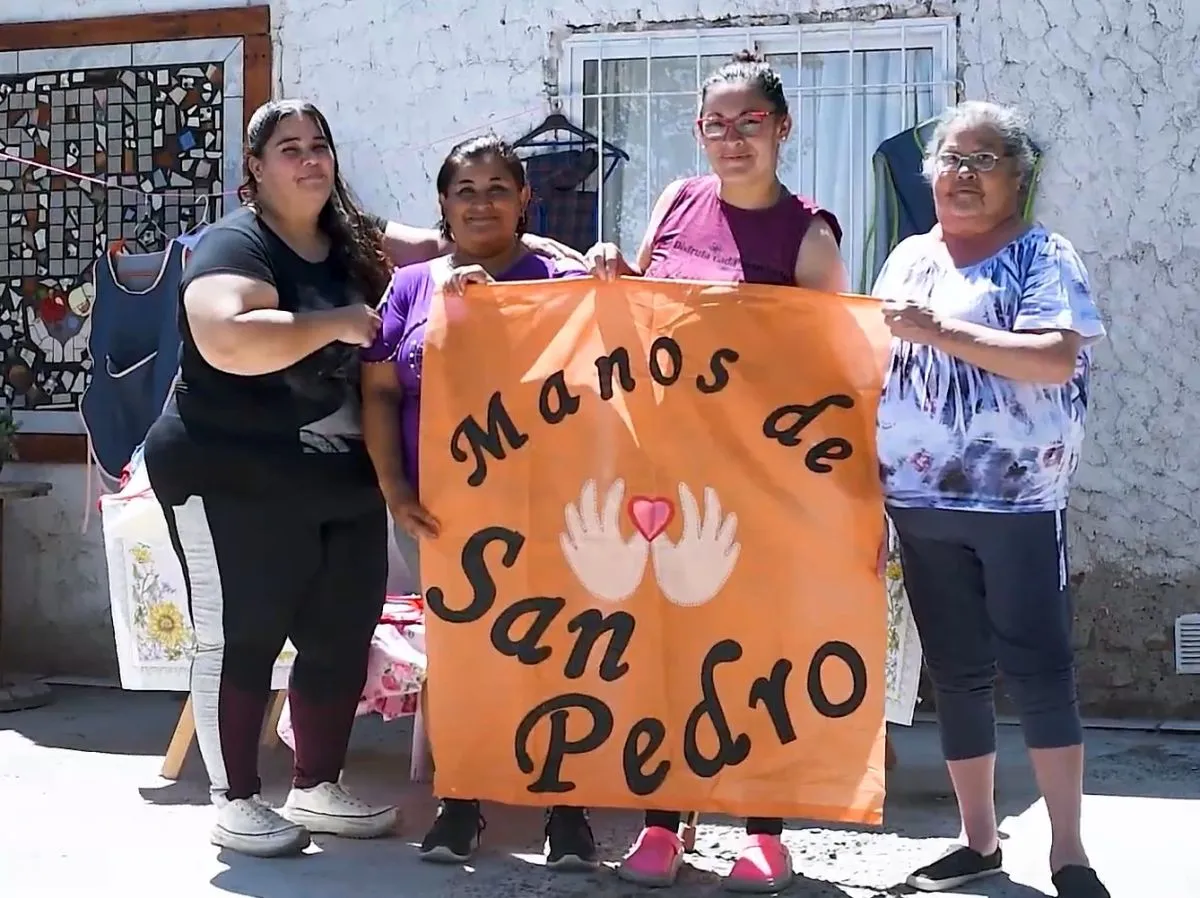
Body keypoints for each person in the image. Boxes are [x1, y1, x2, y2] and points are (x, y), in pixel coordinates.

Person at [142, 99, 581, 859]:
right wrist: (335, 322)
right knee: (242, 633)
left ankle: (316, 784)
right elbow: (223, 336)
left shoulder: (351, 236)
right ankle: (235, 800)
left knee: (341, 630)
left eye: (319, 145)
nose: (309, 159)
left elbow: (453, 239)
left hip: (334, 471)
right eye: (289, 148)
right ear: (256, 167)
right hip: (226, 468)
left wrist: (563, 254)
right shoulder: (234, 244)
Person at [586, 51, 849, 893]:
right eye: (716, 124)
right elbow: (643, 314)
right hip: (664, 471)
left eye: (751, 122)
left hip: (760, 481)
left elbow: (835, 372)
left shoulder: (809, 236)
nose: (733, 139)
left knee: (753, 655)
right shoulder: (676, 201)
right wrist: (614, 270)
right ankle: (664, 824)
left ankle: (765, 834)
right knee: (666, 652)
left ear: (783, 128)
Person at [872, 101, 1109, 898]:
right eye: (952, 158)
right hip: (917, 503)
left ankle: (1069, 853)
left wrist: (939, 331)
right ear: (929, 174)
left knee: (1040, 670)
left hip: (1017, 505)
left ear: (1017, 177)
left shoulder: (1044, 254)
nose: (965, 175)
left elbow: (1052, 359)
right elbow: (870, 367)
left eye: (984, 160)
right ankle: (978, 842)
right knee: (956, 674)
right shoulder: (907, 258)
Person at [359, 134, 599, 872]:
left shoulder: (563, 277)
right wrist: (394, 489)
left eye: (498, 188)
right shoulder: (413, 286)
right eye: (465, 190)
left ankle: (569, 808)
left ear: (525, 199)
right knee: (462, 656)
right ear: (443, 203)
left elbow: (605, 376)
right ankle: (461, 800)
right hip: (440, 512)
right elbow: (379, 389)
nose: (482, 203)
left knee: (557, 650)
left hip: (550, 505)